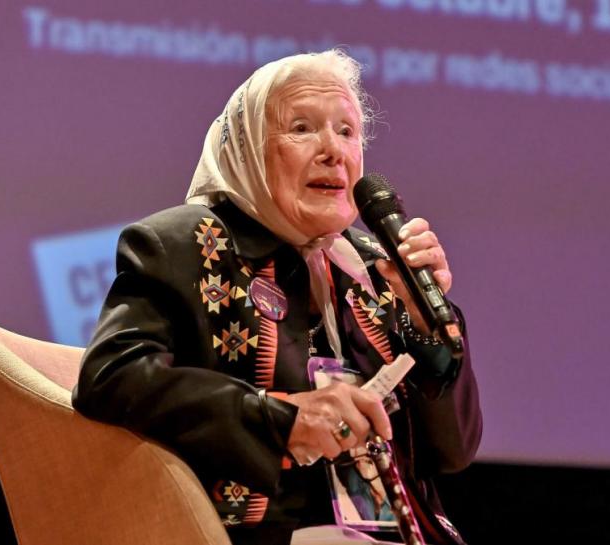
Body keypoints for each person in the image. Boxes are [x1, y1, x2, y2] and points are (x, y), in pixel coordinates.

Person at [71, 49, 481, 545]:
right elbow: (111, 377)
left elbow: (452, 451)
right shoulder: (182, 243)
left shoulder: (376, 265)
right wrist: (283, 420)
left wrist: (425, 323)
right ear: (246, 148)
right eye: (302, 128)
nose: (333, 151)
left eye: (347, 132)